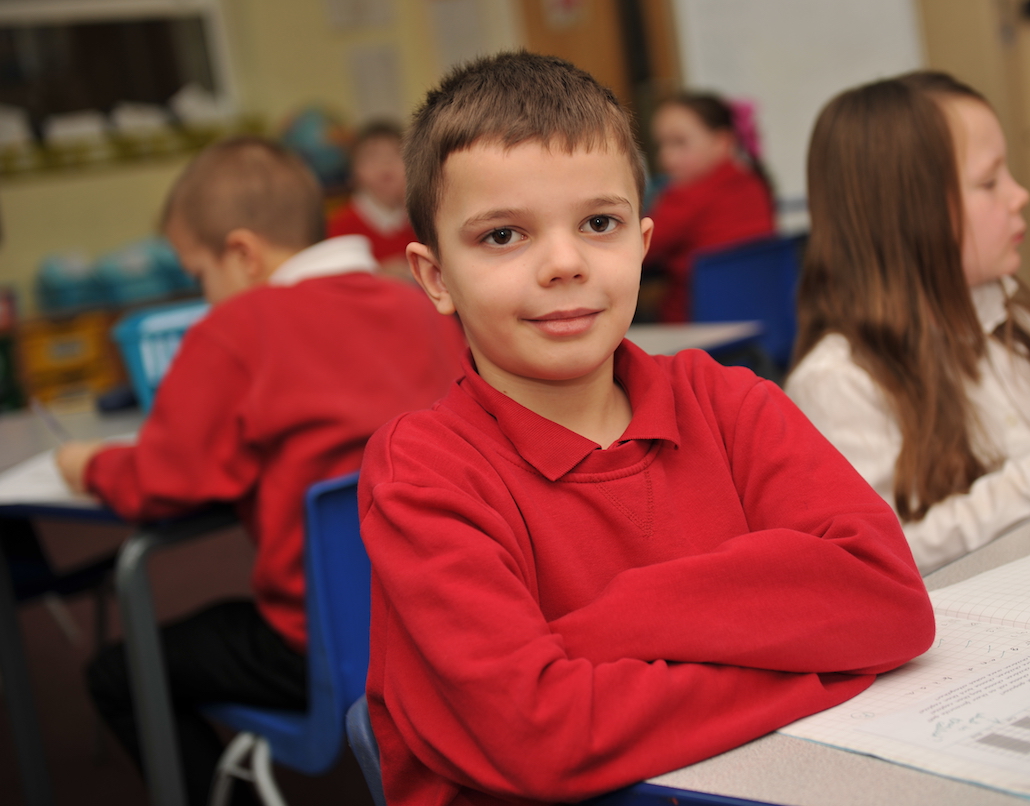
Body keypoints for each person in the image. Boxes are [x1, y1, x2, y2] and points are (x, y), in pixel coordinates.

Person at [360, 51, 935, 806]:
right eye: (503, 236)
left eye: (600, 223)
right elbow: (543, 734)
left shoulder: (730, 402)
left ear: (642, 240)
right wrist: (815, 659)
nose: (564, 263)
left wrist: (592, 634)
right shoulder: (424, 471)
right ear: (436, 278)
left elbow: (889, 601)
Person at [54, 136, 465, 806]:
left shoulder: (239, 327)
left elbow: (162, 481)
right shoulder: (417, 301)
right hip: (447, 616)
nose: (203, 293)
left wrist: (90, 463)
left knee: (119, 672)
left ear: (242, 254)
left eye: (199, 274)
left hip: (323, 641)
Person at [784, 72, 1030, 575]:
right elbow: (887, 554)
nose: (1020, 195)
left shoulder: (1013, 315)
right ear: (909, 214)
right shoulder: (835, 383)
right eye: (989, 182)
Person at [642, 93, 776, 322]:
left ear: (722, 143)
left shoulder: (686, 197)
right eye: (661, 145)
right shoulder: (754, 184)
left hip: (695, 326)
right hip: (760, 322)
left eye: (679, 143)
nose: (666, 158)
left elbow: (637, 248)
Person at [328, 119, 417, 280]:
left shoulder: (419, 219)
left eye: (396, 154)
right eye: (372, 156)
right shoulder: (340, 227)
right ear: (353, 171)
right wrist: (377, 272)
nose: (385, 163)